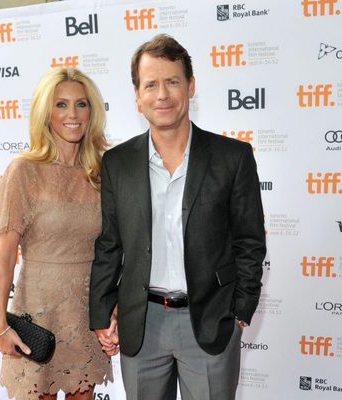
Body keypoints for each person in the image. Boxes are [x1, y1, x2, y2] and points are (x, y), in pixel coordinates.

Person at [89, 34, 266, 400]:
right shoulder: (117, 163)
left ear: (190, 86)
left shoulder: (232, 157)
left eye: (172, 81)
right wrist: (102, 310)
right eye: (150, 84)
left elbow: (249, 240)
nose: (162, 95)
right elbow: (110, 243)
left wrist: (240, 312)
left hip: (210, 322)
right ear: (137, 96)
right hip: (142, 322)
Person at [0, 67, 112, 400]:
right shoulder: (23, 171)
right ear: (45, 112)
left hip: (85, 314)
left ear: (92, 112)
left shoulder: (101, 173)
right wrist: (0, 323)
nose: (72, 114)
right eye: (61, 105)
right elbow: (4, 256)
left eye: (81, 104)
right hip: (37, 310)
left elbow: (112, 251)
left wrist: (112, 310)